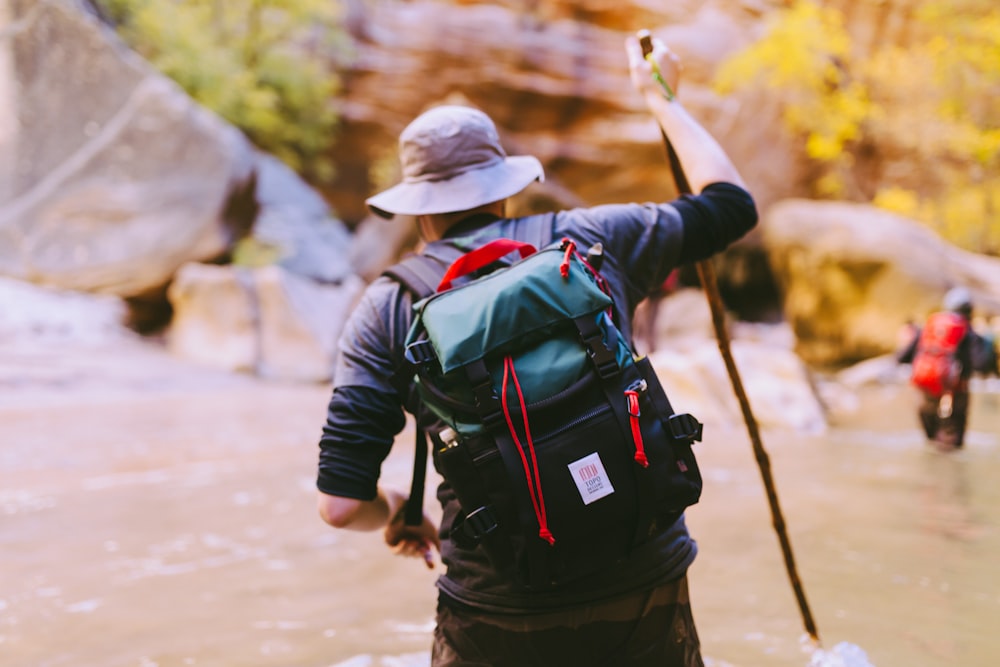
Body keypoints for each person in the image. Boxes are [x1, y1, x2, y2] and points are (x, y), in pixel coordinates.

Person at [315, 33, 757, 666]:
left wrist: (398, 511)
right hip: (643, 582)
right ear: (503, 187)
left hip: (497, 608)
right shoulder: (591, 242)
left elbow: (338, 504)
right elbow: (728, 207)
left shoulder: (387, 309)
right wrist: (661, 101)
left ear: (417, 205)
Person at [897, 286, 999, 450]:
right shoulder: (967, 331)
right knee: (953, 444)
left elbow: (902, 357)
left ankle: (932, 470)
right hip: (955, 392)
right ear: (969, 310)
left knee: (932, 442)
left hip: (924, 389)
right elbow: (981, 364)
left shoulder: (930, 325)